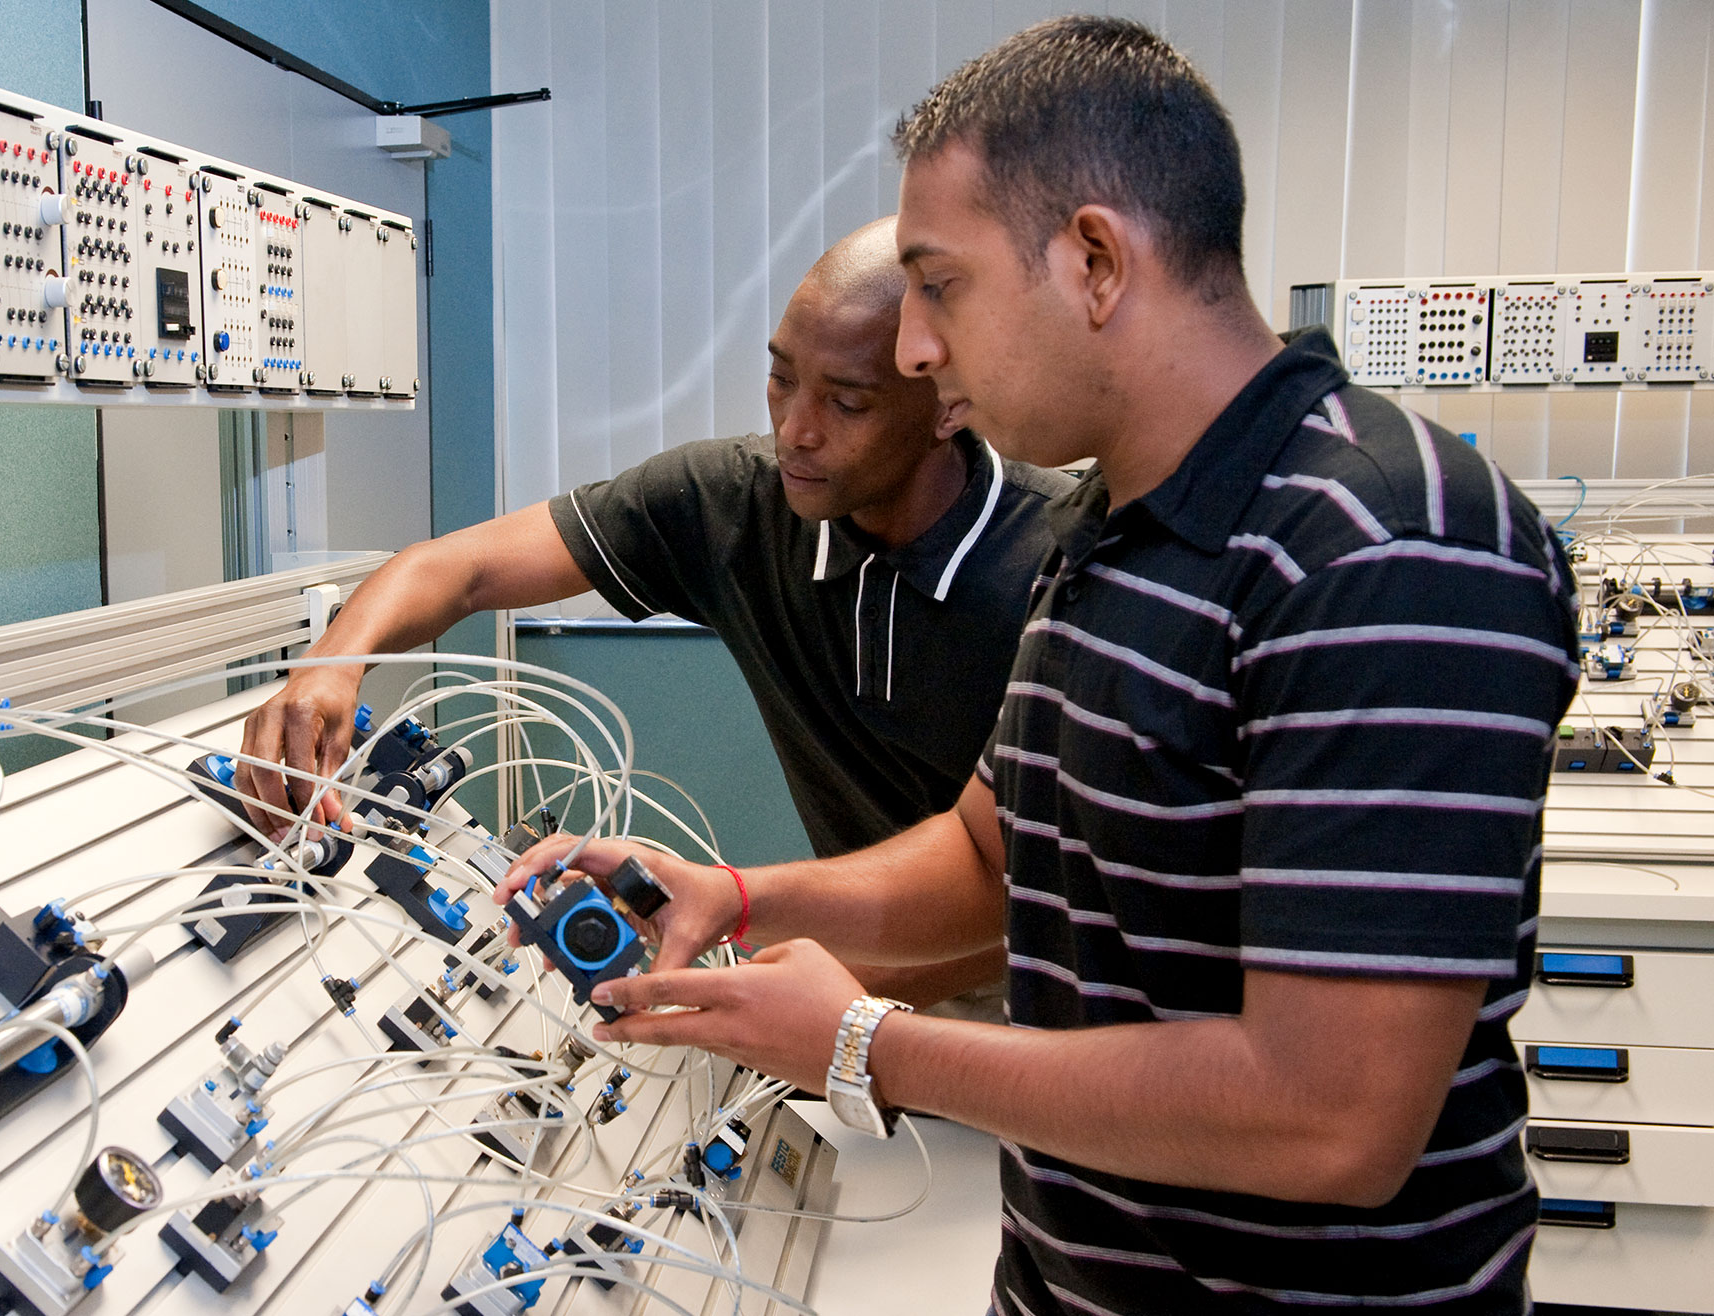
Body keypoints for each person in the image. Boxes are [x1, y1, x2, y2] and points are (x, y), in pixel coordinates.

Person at [505, 17, 1576, 1315]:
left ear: (1093, 261)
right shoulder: (1107, 526)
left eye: (941, 287)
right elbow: (995, 860)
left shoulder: (1386, 546)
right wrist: (735, 895)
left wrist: (870, 1047)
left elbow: (1329, 1120)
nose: (913, 350)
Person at [237, 216, 1074, 1007]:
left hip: (1055, 1004)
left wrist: (814, 1000)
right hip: (871, 975)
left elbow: (1045, 896)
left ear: (947, 404)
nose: (795, 430)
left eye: (846, 402)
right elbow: (460, 569)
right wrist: (330, 668)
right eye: (782, 377)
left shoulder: (1064, 566)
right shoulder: (732, 502)